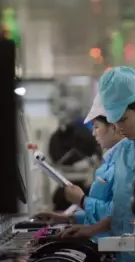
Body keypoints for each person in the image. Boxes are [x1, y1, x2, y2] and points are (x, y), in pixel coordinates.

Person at [57, 66, 135, 262]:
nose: (118, 127)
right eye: (114, 120)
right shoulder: (120, 152)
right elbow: (122, 212)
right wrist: (92, 228)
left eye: (123, 119)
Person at [36, 94, 124, 238]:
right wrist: (70, 218)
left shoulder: (125, 163)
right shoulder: (111, 161)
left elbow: (120, 214)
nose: (93, 133)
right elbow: (107, 216)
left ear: (113, 127)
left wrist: (82, 201)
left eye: (96, 127)